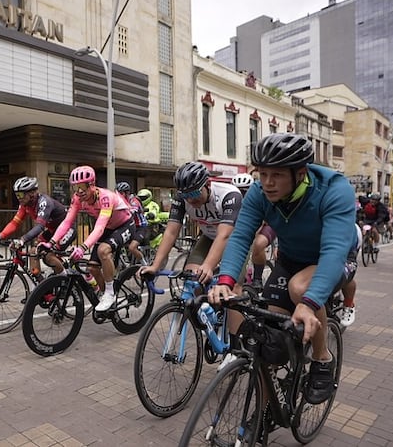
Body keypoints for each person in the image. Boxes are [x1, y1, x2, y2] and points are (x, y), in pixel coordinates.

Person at [208, 133, 356, 405]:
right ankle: (265, 413)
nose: (267, 182)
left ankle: (322, 358)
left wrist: (309, 303)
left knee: (300, 289)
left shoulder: (334, 189)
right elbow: (241, 236)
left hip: (335, 258)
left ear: (300, 173)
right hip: (291, 260)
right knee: (267, 341)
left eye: (276, 174)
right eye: (262, 174)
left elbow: (334, 251)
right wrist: (226, 280)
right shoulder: (259, 192)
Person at [42, 165, 134, 312]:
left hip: (124, 225)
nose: (79, 191)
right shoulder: (78, 199)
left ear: (92, 185)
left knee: (103, 251)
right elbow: (67, 222)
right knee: (92, 267)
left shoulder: (105, 197)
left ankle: (110, 292)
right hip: (108, 228)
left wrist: (83, 247)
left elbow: (99, 227)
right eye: (75, 187)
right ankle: (106, 295)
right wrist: (51, 242)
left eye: (82, 187)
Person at [139, 162, 243, 290]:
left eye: (193, 194)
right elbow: (171, 232)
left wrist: (208, 265)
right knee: (192, 280)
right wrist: (155, 266)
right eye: (185, 196)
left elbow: (224, 235)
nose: (190, 200)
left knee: (232, 286)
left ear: (208, 184)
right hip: (210, 236)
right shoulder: (182, 199)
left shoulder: (229, 195)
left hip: (236, 240)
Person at [0, 177, 76, 276]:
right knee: (33, 251)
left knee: (48, 256)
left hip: (66, 230)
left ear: (32, 193)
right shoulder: (25, 206)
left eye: (21, 194)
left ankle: (64, 278)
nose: (19, 198)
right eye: (17, 195)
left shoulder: (44, 202)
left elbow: (40, 226)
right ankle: (37, 284)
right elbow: (14, 223)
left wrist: (22, 240)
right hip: (52, 230)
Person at [233, 173, 277, 290]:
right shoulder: (233, 200)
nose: (241, 194)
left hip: (267, 223)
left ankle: (257, 279)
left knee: (258, 244)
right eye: (238, 190)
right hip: (251, 226)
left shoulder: (258, 196)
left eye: (244, 191)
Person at [116, 181, 150, 264]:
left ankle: (145, 264)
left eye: (121, 193)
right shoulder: (120, 201)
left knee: (132, 248)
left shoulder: (134, 200)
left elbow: (131, 212)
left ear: (127, 193)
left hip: (141, 227)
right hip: (131, 226)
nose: (119, 195)